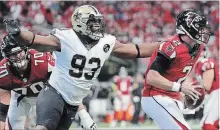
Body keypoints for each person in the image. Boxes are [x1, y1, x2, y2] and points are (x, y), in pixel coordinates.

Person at [3, 5, 159, 130]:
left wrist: (164, 46)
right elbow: (37, 40)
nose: (97, 26)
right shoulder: (66, 38)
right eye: (92, 23)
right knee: (43, 127)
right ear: (80, 23)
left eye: (98, 22)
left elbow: (134, 50)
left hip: (73, 101)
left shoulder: (106, 42)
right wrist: (18, 34)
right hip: (54, 92)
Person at [0, 35, 95, 130]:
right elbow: (2, 111)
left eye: (19, 52)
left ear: (25, 49)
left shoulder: (43, 61)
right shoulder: (3, 72)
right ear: (6, 56)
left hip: (47, 95)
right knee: (14, 125)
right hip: (21, 99)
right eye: (13, 54)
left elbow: (66, 88)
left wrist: (83, 115)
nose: (18, 57)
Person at [141, 9, 212, 129]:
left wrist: (192, 89)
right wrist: (180, 88)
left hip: (171, 97)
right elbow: (151, 77)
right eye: (199, 28)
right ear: (188, 28)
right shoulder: (171, 47)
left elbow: (180, 72)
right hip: (155, 96)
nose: (203, 31)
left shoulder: (198, 47)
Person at [193, 48, 219, 130]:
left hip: (216, 94)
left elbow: (207, 85)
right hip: (214, 94)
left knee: (207, 124)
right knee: (214, 123)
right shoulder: (198, 64)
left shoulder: (204, 62)